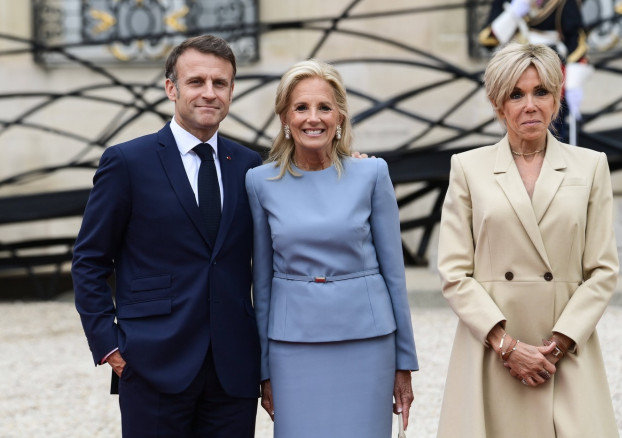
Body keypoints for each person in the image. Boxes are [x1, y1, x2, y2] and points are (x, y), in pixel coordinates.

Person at [72, 35, 263, 437]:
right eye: (196, 82)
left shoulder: (249, 165)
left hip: (234, 370)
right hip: (152, 363)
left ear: (231, 91)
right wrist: (109, 346)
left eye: (220, 83)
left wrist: (349, 164)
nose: (209, 93)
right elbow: (89, 261)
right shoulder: (126, 162)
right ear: (171, 88)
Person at [436, 43, 619, 438]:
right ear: (498, 104)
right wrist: (507, 346)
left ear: (557, 98)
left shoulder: (591, 166)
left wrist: (557, 343)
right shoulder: (468, 168)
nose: (530, 104)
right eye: (516, 94)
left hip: (564, 355)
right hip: (492, 352)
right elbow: (453, 271)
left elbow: (603, 269)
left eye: (541, 92)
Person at [245, 59, 419, 438]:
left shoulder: (372, 174)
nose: (313, 118)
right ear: (284, 117)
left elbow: (394, 274)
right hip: (293, 347)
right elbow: (262, 282)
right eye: (301, 107)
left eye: (324, 107)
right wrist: (264, 370)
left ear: (340, 115)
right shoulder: (259, 183)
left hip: (369, 343)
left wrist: (404, 360)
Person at [478, 0, 593, 143]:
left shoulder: (562, 3)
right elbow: (488, 41)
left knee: (552, 132)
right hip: (513, 73)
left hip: (548, 72)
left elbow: (576, 44)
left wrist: (574, 84)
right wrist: (512, 14)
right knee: (515, 133)